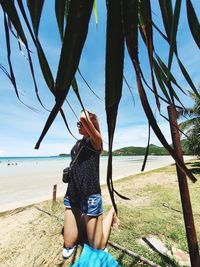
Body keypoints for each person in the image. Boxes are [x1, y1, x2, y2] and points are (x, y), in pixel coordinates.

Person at [63, 110, 120, 259]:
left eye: (81, 124)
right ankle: (83, 219)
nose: (78, 126)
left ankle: (111, 212)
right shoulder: (78, 143)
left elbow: (84, 117)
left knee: (98, 246)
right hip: (73, 193)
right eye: (78, 124)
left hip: (90, 196)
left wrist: (86, 115)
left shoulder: (95, 142)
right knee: (68, 244)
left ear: (90, 125)